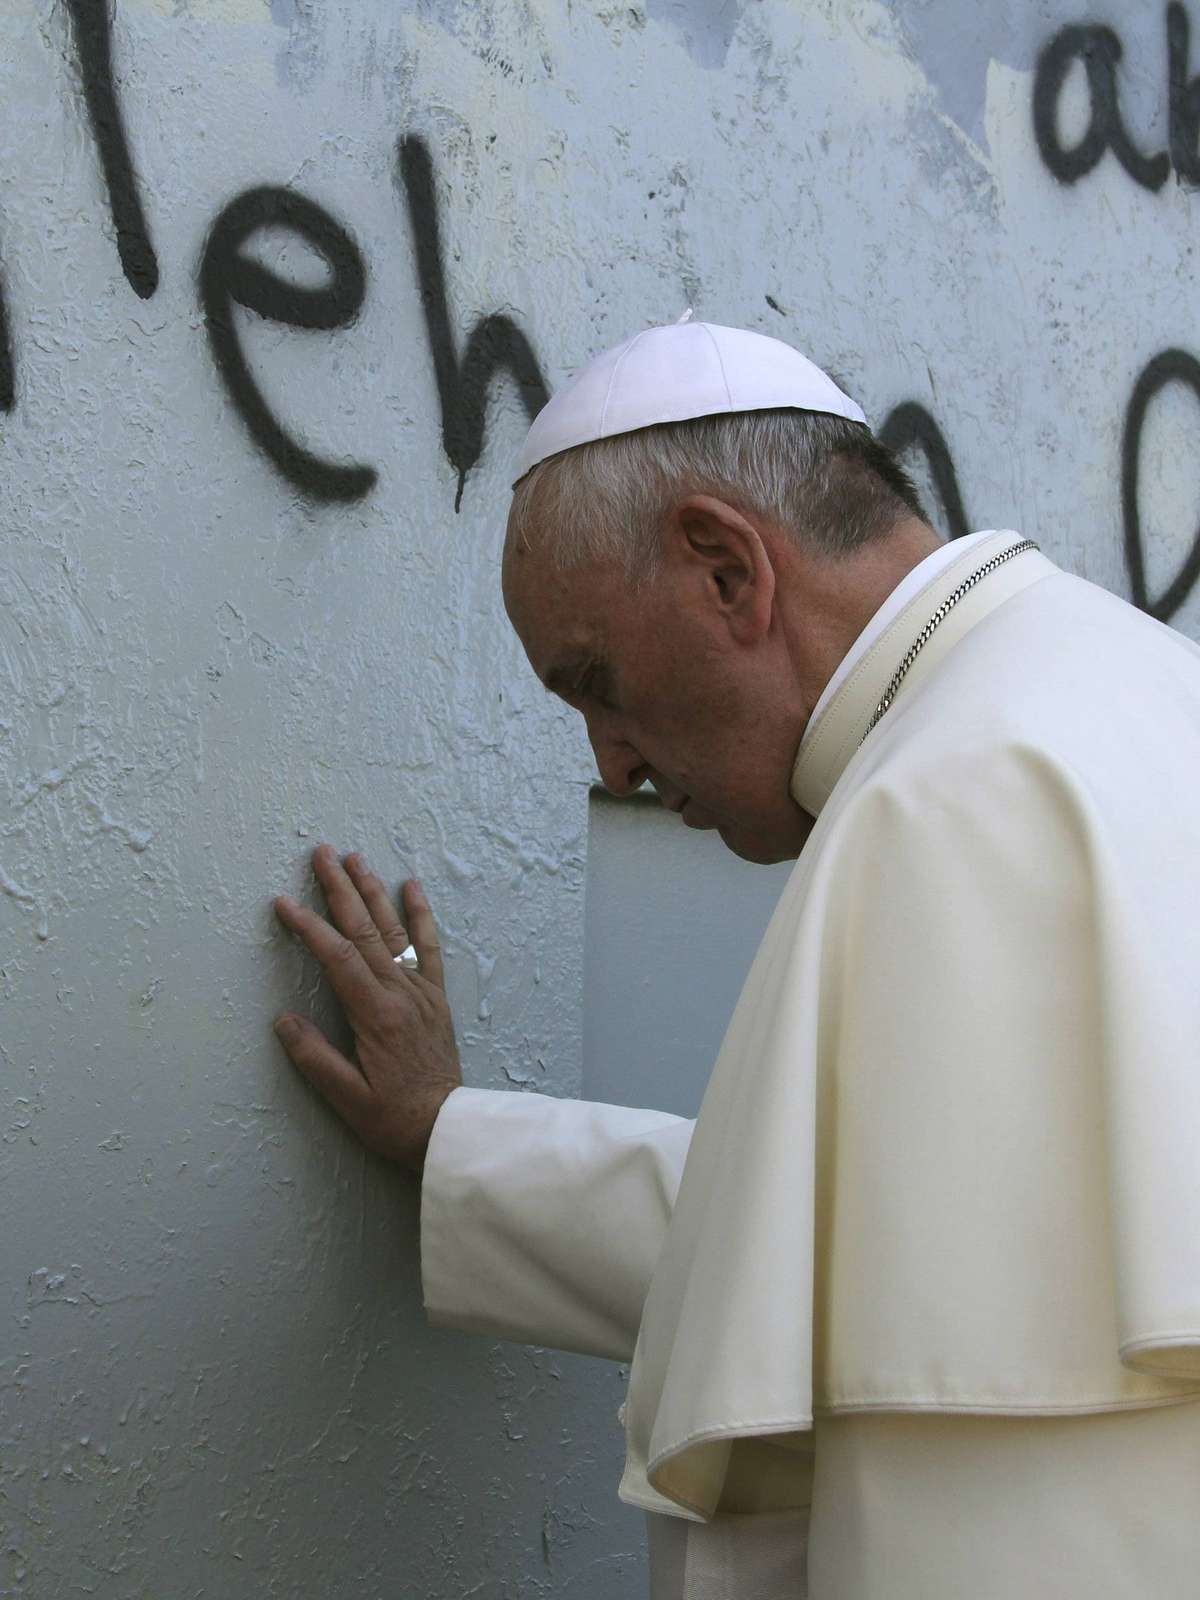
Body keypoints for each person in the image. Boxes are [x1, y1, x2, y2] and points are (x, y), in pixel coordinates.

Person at [270, 320, 1200, 1599]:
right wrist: (453, 1133)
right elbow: (836, 1253)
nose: (612, 760)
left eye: (595, 682)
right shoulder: (1121, 696)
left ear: (725, 568)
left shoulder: (941, 800)